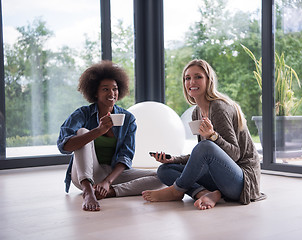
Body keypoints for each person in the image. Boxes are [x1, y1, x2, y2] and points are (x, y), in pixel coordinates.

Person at [142, 59, 266, 210]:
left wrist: (213, 135)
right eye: (187, 78)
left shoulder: (219, 107)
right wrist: (174, 159)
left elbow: (234, 155)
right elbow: (202, 156)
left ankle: (177, 191)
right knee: (165, 170)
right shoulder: (197, 112)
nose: (192, 81)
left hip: (242, 181)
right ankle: (206, 193)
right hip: (220, 178)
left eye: (198, 77)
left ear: (209, 80)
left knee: (205, 145)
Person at [57, 60, 164, 211]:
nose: (111, 93)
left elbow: (126, 155)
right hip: (84, 176)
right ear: (95, 92)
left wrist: (107, 182)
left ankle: (108, 192)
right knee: (83, 133)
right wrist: (98, 131)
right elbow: (64, 145)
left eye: (115, 89)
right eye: (105, 89)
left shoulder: (128, 119)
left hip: (111, 174)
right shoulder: (82, 114)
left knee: (160, 176)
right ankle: (88, 192)